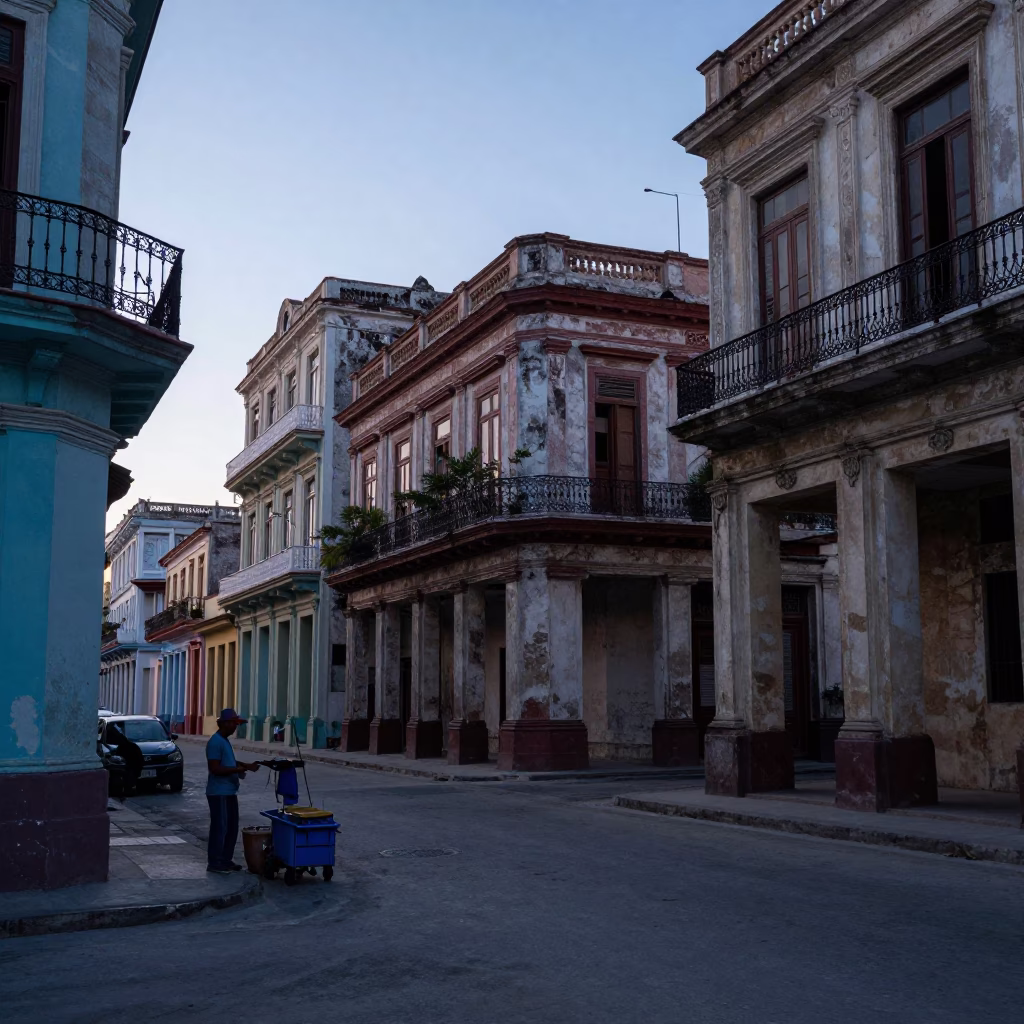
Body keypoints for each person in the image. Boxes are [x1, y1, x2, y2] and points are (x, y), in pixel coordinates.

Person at [206, 709, 260, 874]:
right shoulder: (215, 742)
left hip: (229, 791)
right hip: (218, 792)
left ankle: (225, 860)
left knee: (231, 827)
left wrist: (245, 766)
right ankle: (215, 862)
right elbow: (215, 768)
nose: (236, 727)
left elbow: (229, 761)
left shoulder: (224, 741)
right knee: (220, 827)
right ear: (225, 723)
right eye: (234, 724)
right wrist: (237, 769)